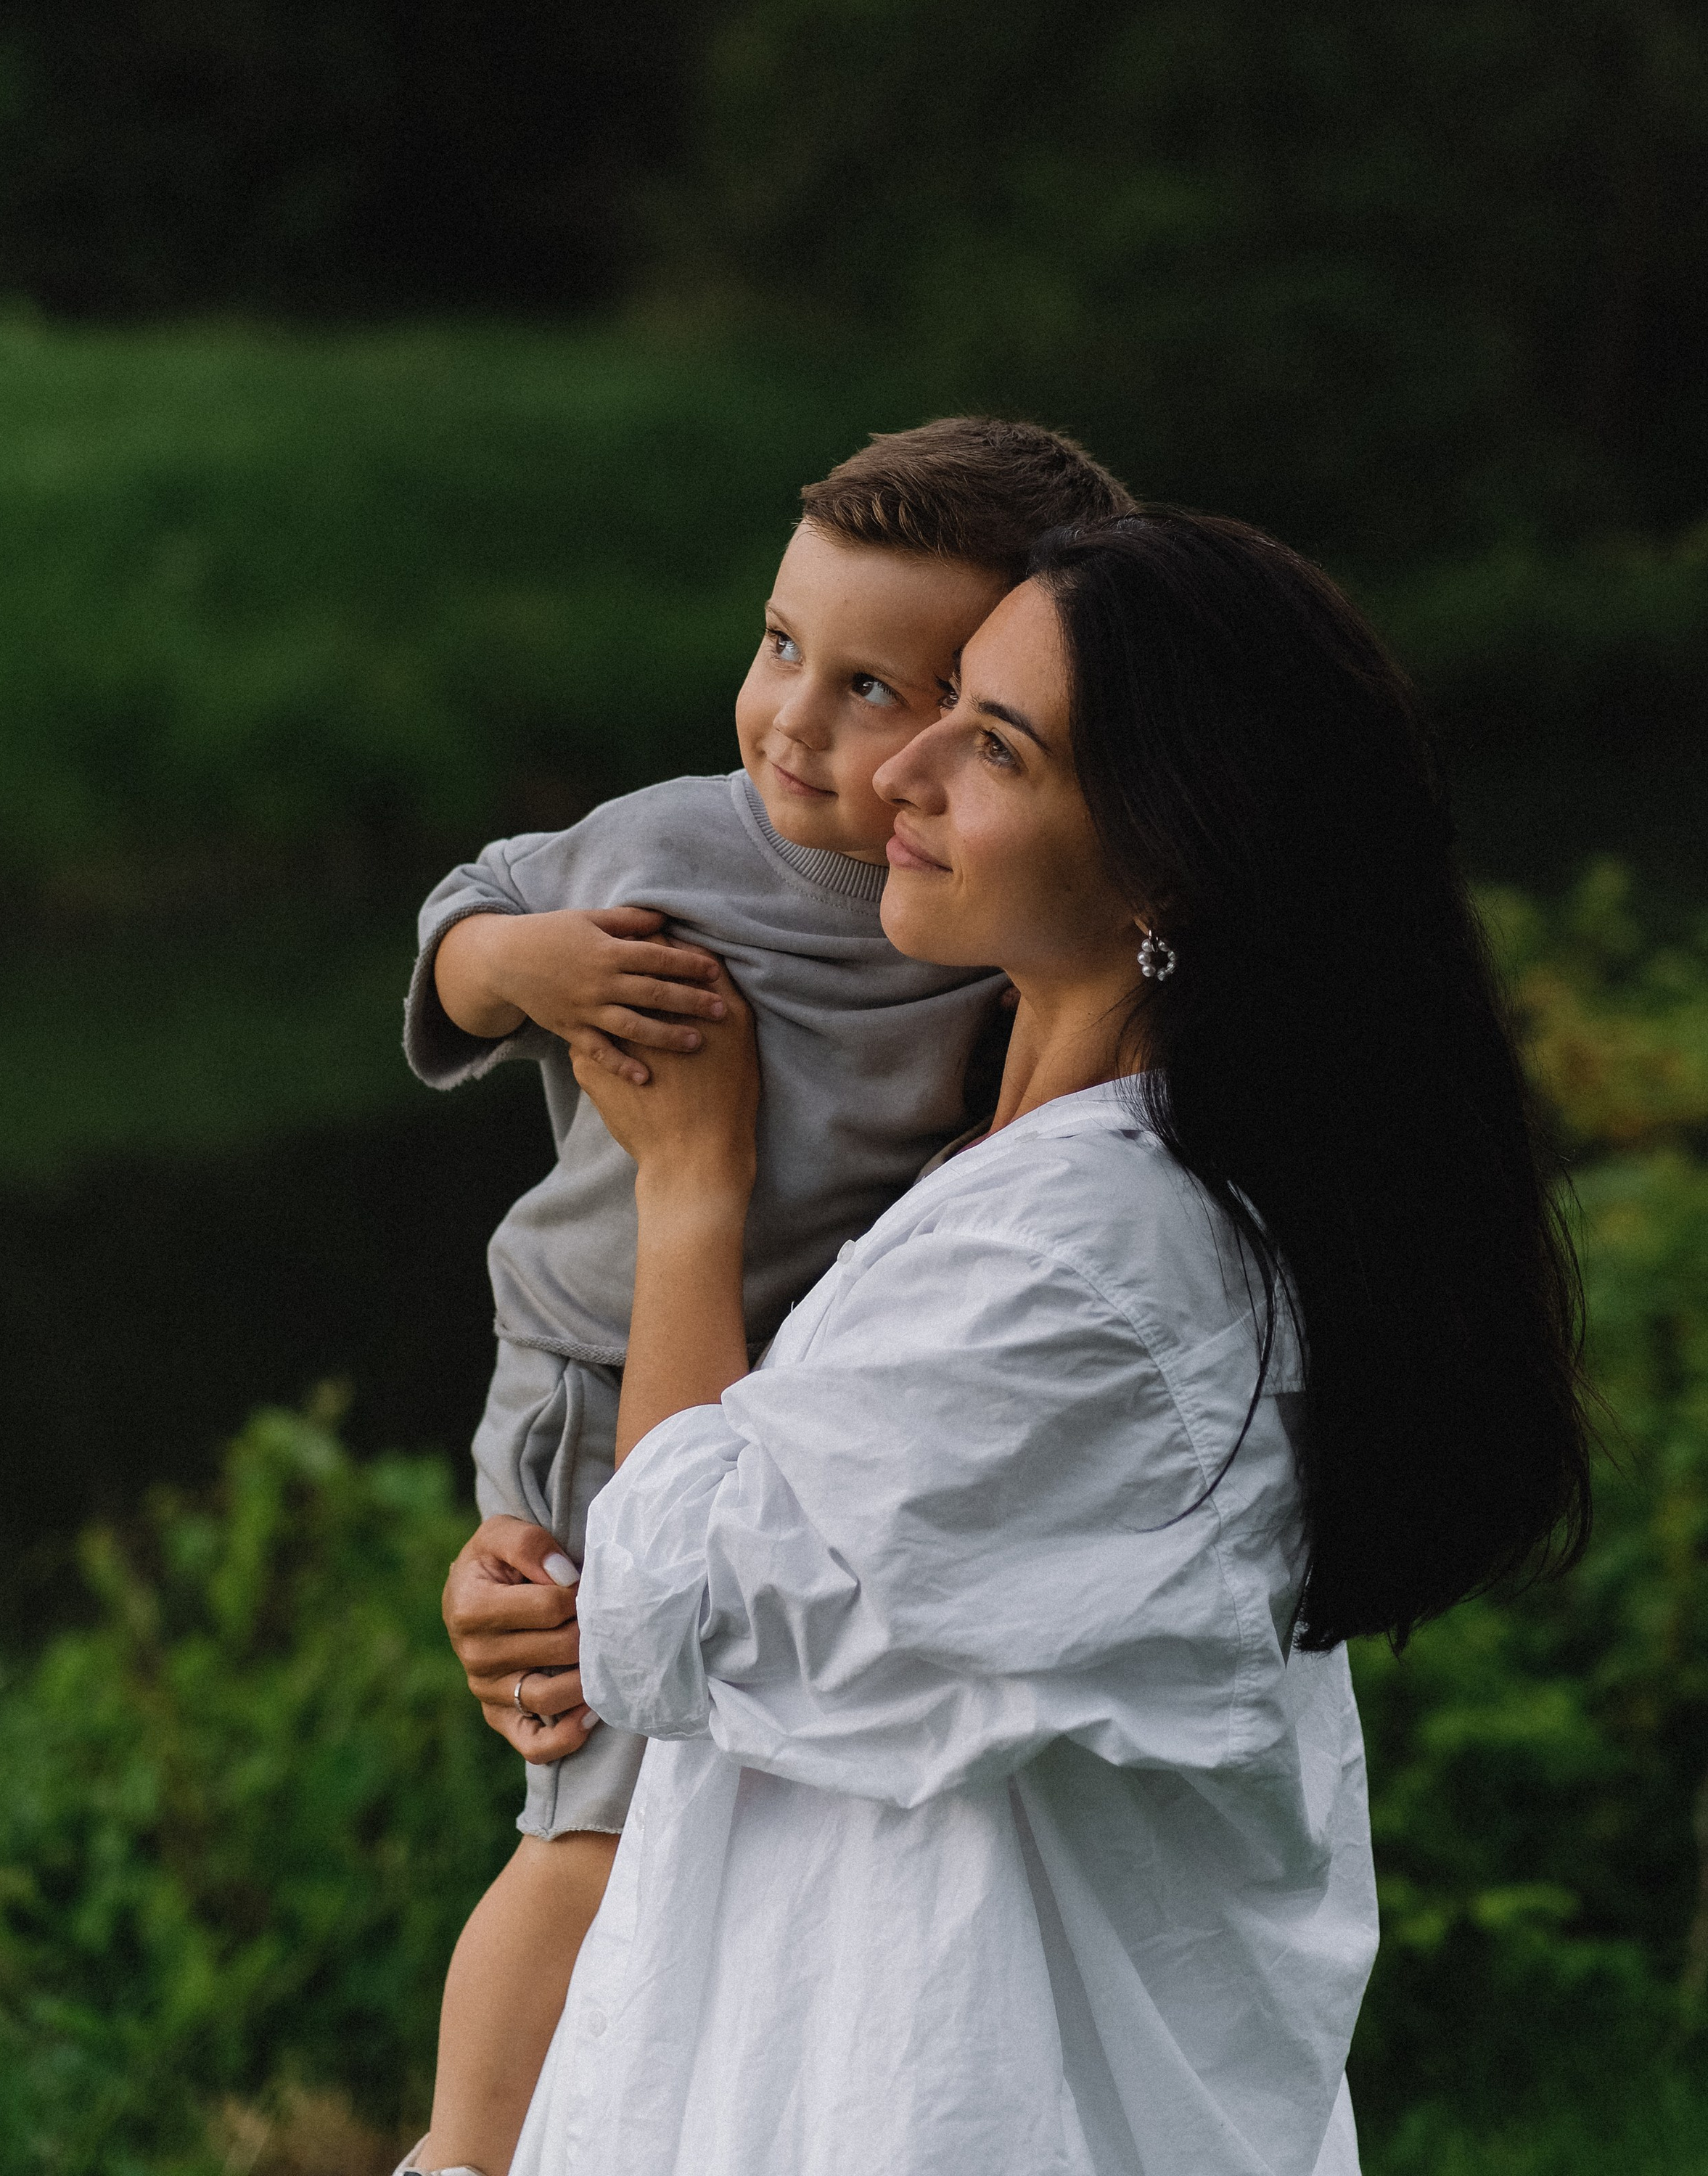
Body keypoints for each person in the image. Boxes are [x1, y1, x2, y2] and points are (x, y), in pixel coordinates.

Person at [446, 508, 1591, 2176]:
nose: (896, 772)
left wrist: (689, 1190)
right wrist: (539, 1576)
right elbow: (738, 1572)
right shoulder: (1012, 1179)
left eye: (989, 744)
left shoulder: (1091, 1265)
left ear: (1166, 859)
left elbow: (670, 1606)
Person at [398, 419, 1134, 2176]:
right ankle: (464, 2150)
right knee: (589, 1812)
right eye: (778, 645)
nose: (793, 720)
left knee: (669, 1818)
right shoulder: (678, 848)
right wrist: (523, 965)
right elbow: (458, 924)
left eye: (875, 690)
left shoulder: (967, 958)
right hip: (598, 1362)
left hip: (769, 1384)